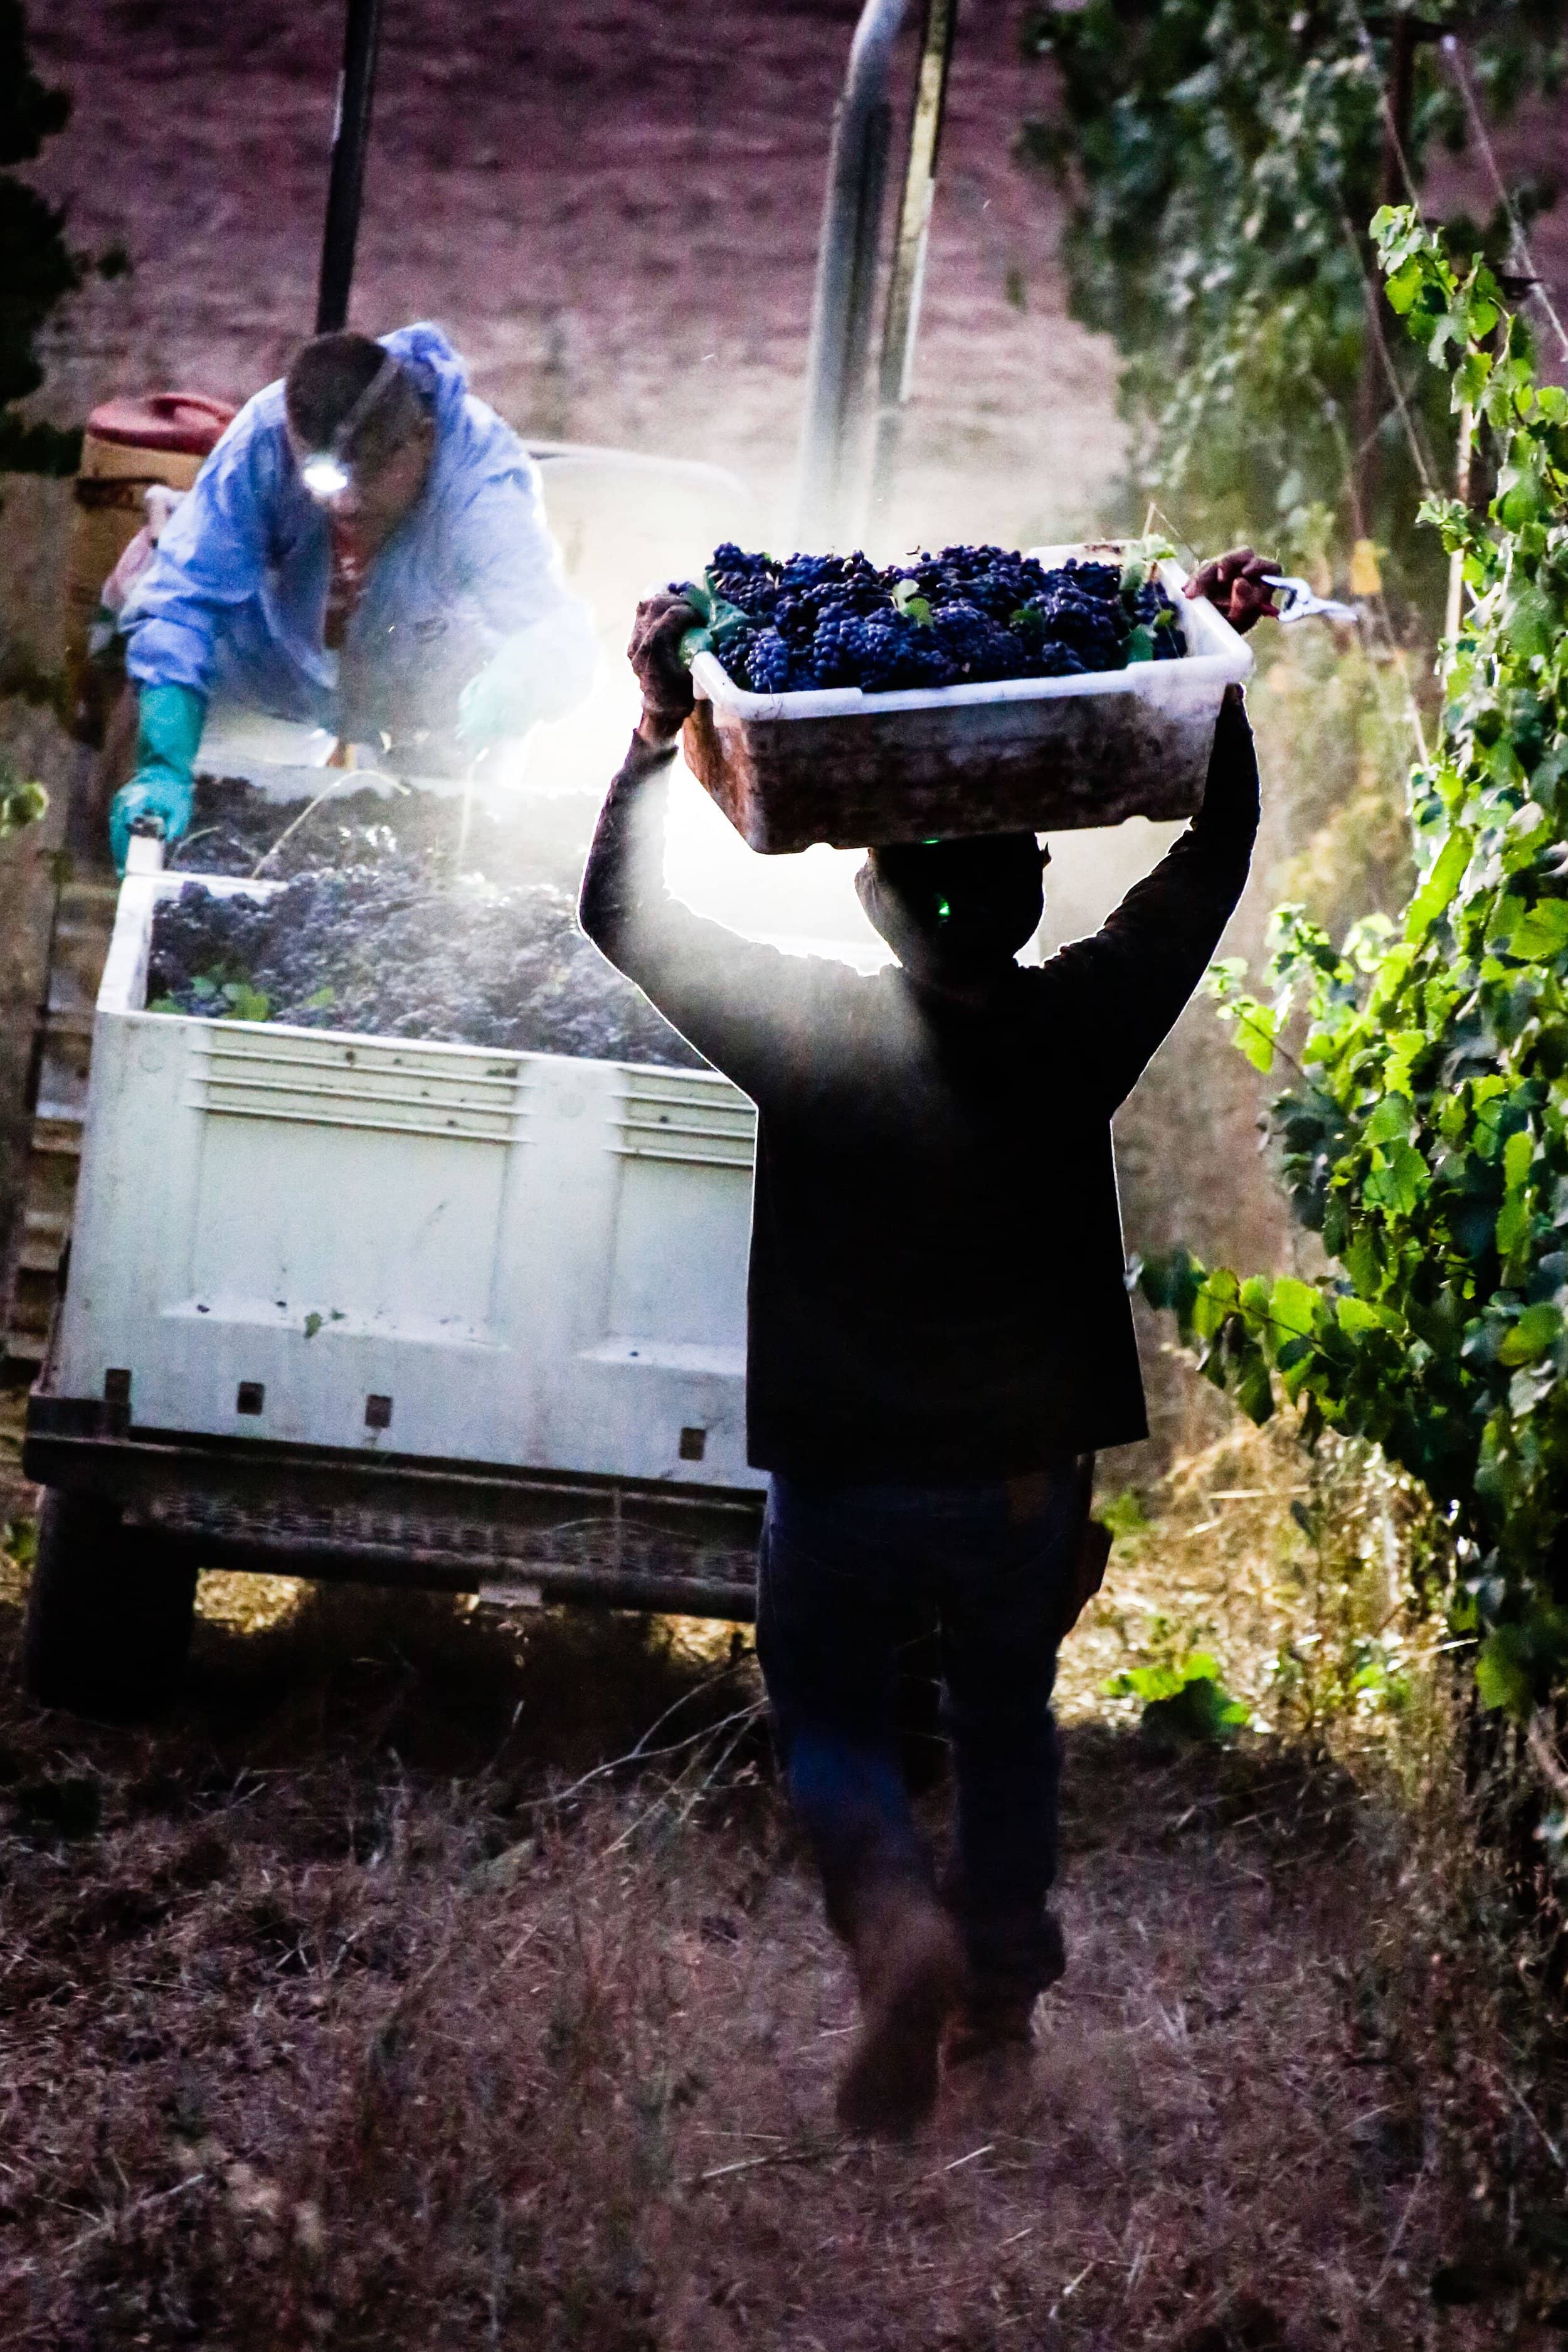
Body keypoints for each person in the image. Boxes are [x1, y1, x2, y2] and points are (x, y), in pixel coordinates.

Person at [579, 548, 1278, 2136]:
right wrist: (1213, 665)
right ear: (1035, 898)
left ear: (870, 898)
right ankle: (998, 2016)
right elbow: (1216, 847)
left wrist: (650, 722)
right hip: (1014, 1489)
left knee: (829, 1716)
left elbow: (620, 910)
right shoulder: (1077, 1026)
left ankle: (895, 1919)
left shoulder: (811, 1030)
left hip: (837, 1480)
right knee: (1003, 1714)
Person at [107, 324, 596, 870]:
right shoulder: (266, 440)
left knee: (450, 871)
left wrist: (527, 676)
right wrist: (163, 766)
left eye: (367, 484)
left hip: (441, 709)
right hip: (273, 673)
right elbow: (183, 601)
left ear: (424, 439)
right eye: (326, 490)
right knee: (198, 840)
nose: (345, 508)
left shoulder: (480, 487)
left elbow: (563, 639)